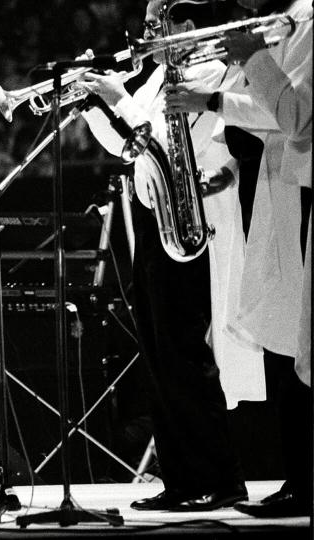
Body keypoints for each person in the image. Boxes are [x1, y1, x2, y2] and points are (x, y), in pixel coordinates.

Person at [77, 0, 257, 511]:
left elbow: (165, 144)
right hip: (156, 220)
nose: (148, 33)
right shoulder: (160, 76)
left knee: (185, 354)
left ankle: (219, 478)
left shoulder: (211, 73)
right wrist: (94, 104)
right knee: (159, 355)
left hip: (194, 221)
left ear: (186, 27)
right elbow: (129, 149)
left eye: (158, 24)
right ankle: (180, 478)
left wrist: (121, 98)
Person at [166, 0, 312, 518]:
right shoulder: (289, 21)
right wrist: (213, 99)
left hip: (301, 192)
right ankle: (300, 479)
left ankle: (304, 482)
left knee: (300, 345)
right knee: (285, 341)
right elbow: (273, 112)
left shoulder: (309, 21)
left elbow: (295, 116)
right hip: (280, 190)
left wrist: (242, 66)